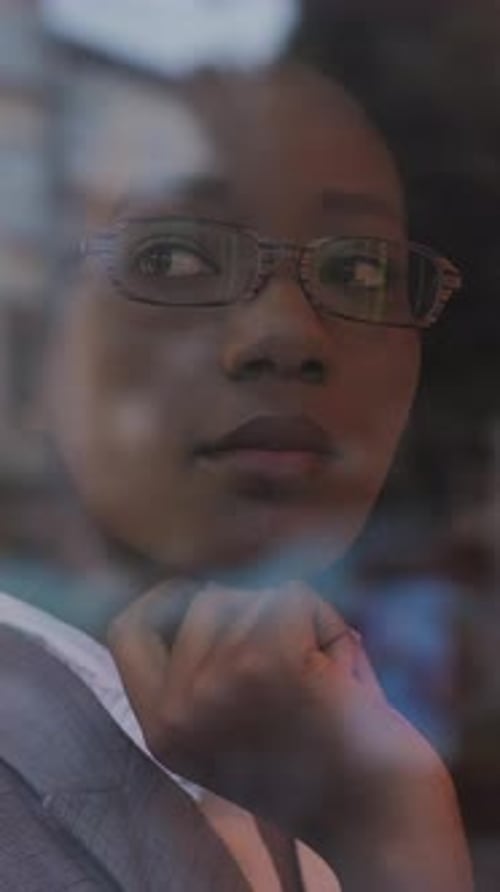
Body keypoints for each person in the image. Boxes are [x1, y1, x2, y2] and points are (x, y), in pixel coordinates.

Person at [0, 58, 473, 892]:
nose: (288, 334)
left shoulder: (310, 712)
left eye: (358, 271)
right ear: (38, 350)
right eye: (174, 259)